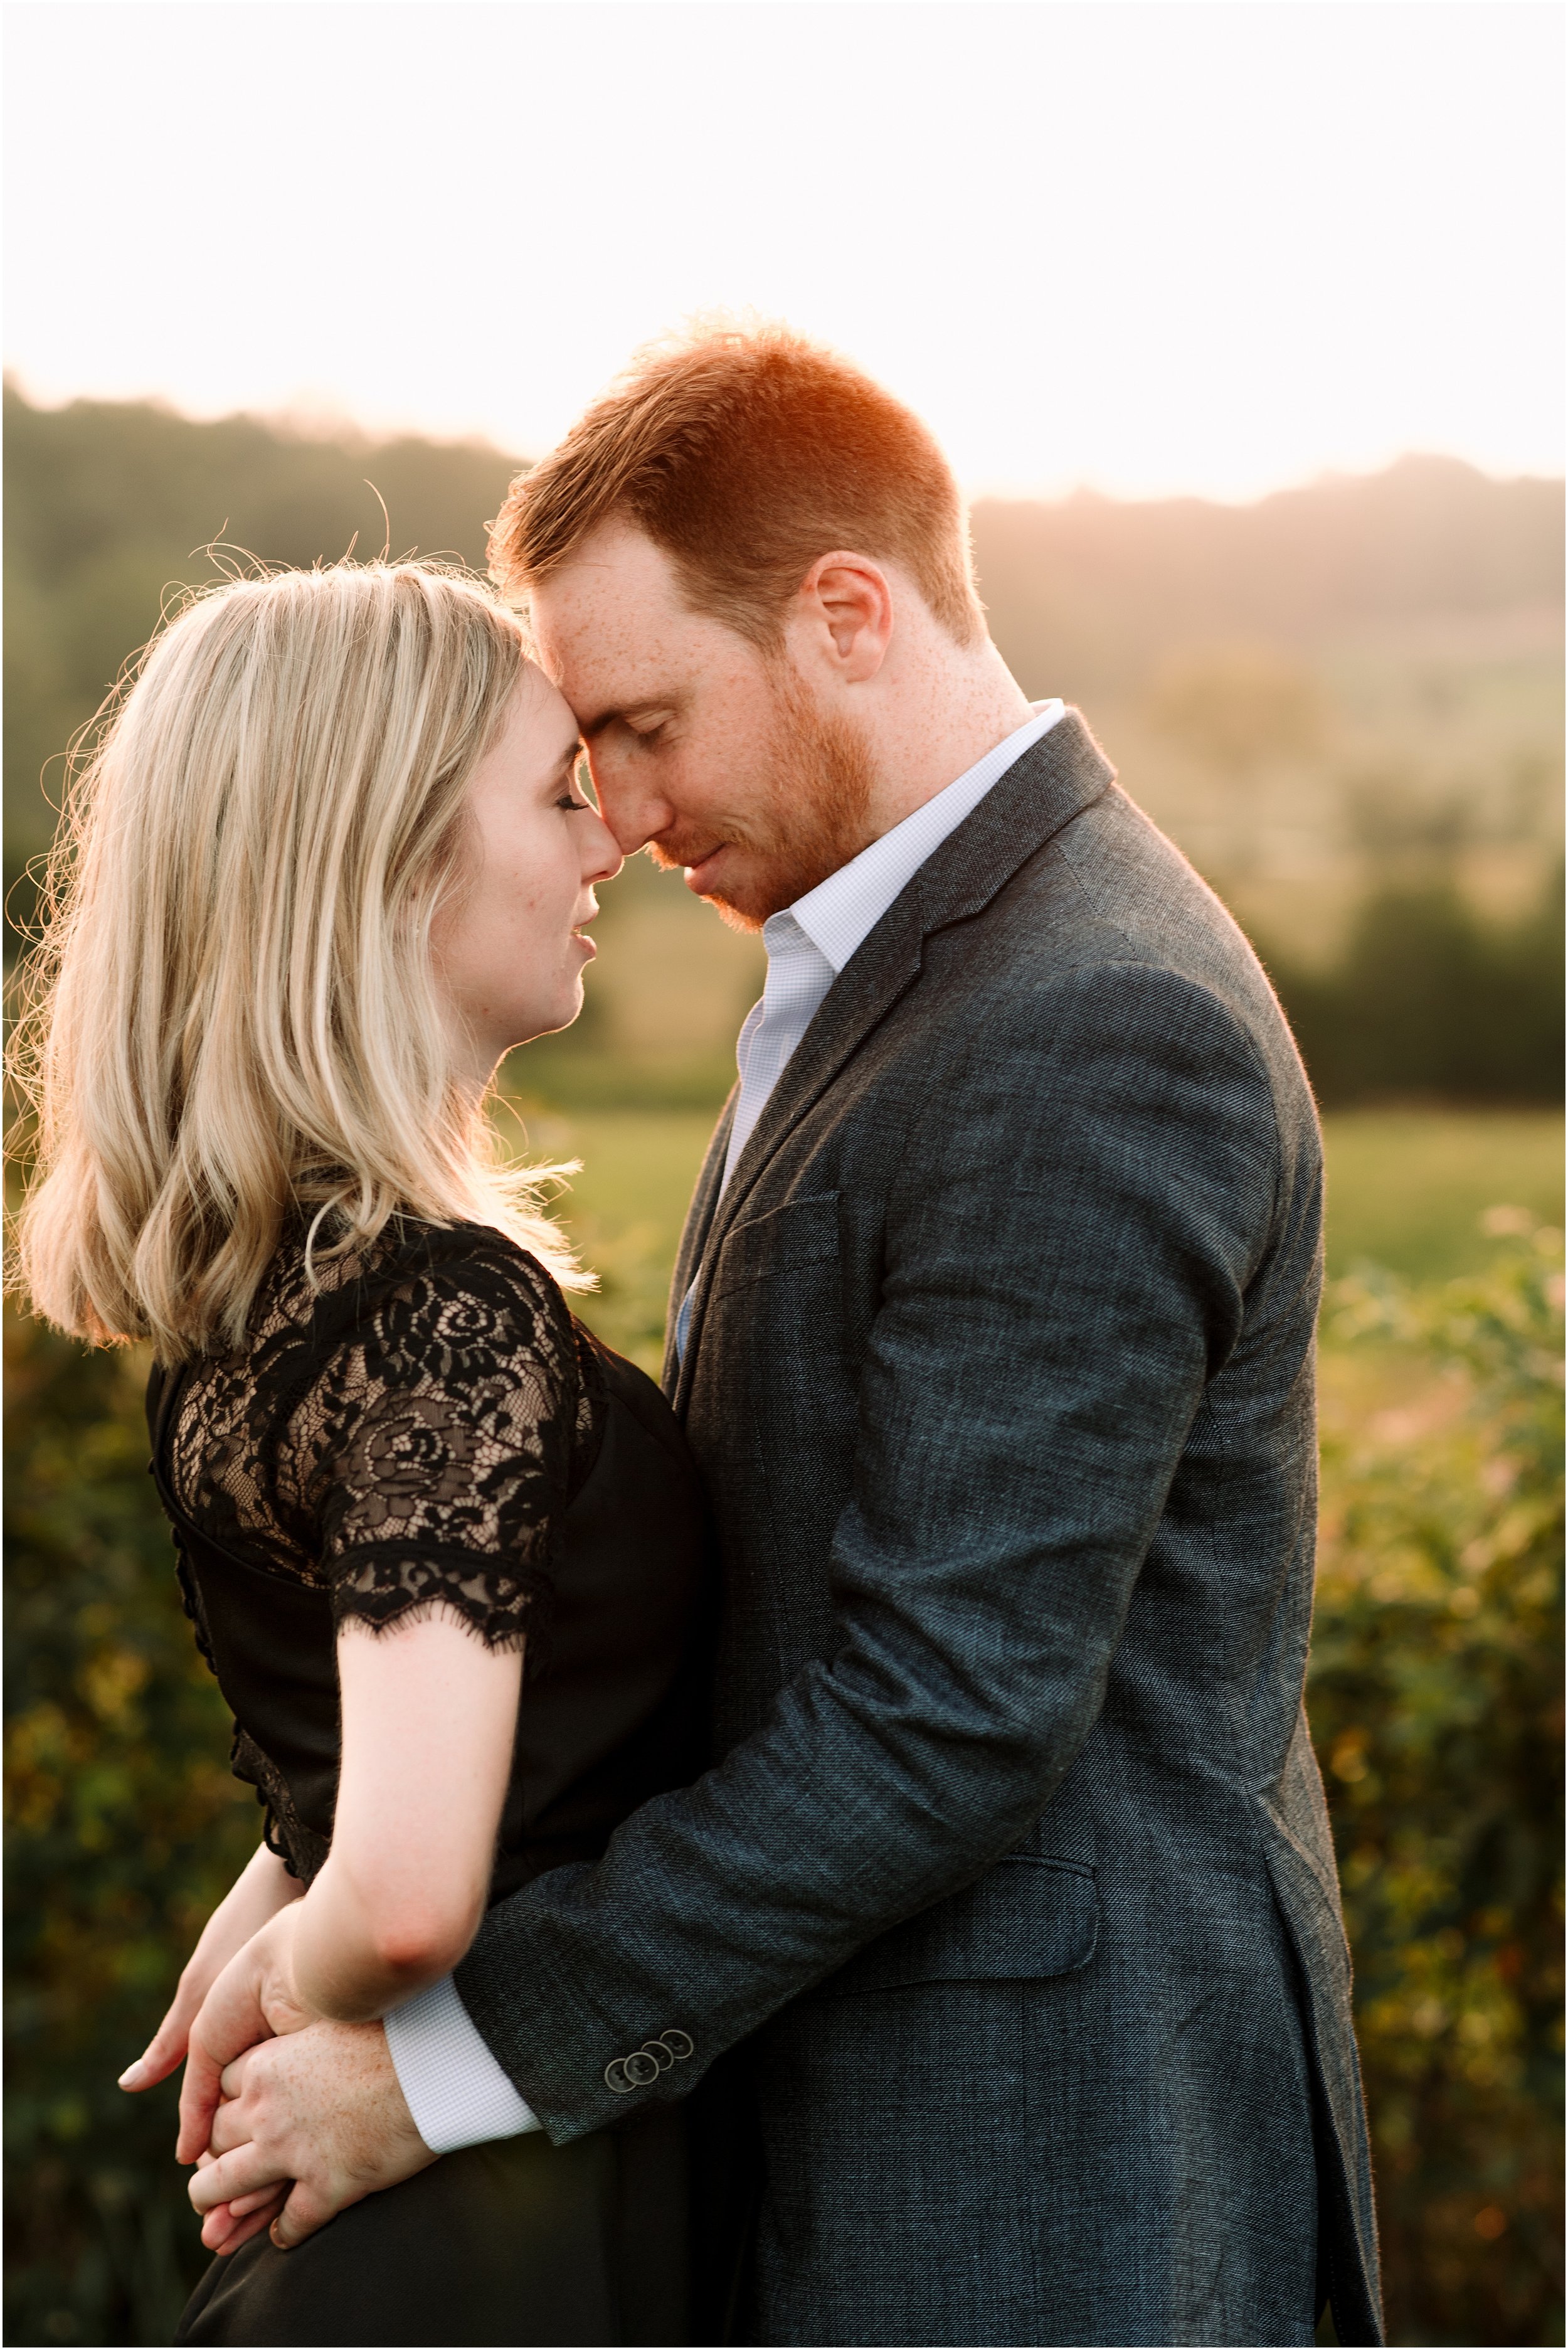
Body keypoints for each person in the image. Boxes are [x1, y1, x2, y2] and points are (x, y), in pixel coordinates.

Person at [172, 329, 1385, 2347]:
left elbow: (947, 1705)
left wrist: (444, 2063)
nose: (624, 814)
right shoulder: (867, 958)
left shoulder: (1090, 1016)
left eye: (643, 725)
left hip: (1038, 2171)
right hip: (819, 2118)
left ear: (845, 614)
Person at [12, 563, 716, 2346]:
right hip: (496, 2242)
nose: (608, 838)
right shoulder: (441, 1313)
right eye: (557, 791)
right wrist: (289, 1962)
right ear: (387, 855)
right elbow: (400, 1895)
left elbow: (336, 1781)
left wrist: (265, 1911)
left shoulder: (264, 1320)